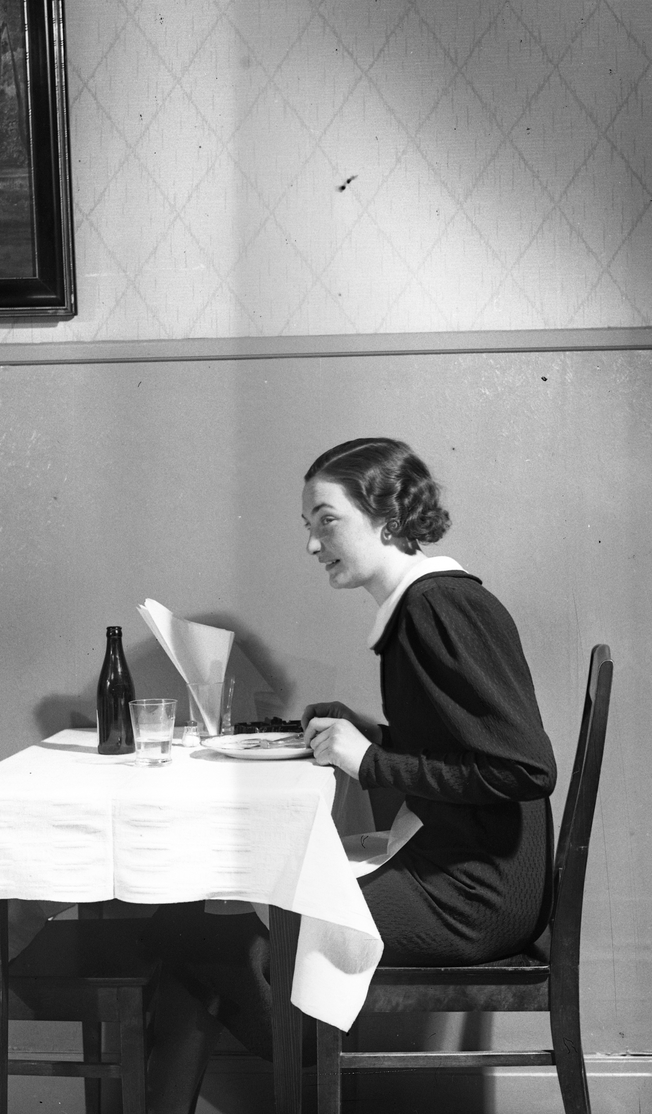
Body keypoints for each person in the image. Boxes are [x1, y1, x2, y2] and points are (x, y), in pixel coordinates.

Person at [143, 437, 557, 1114]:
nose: (313, 543)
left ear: (388, 516)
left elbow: (523, 767)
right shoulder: (427, 603)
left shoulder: (437, 607)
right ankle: (304, 1038)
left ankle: (303, 1047)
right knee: (212, 923)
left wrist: (368, 759)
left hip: (471, 897)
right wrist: (368, 733)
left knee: (203, 930)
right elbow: (461, 744)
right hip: (471, 875)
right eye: (308, 525)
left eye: (327, 521)